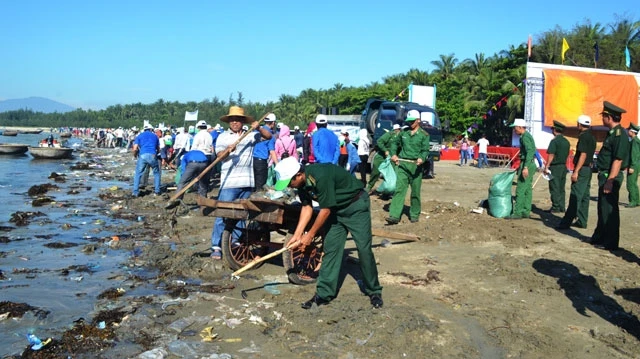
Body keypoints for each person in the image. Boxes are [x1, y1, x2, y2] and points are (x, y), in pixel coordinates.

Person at [273, 157, 383, 309]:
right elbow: (307, 208)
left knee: (364, 249)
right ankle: (324, 294)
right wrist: (298, 235)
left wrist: (309, 235)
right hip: (336, 211)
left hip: (356, 207)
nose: (290, 187)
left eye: (290, 182)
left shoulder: (321, 175)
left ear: (298, 175)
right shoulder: (301, 183)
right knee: (331, 250)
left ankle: (374, 290)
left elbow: (325, 211)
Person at [210, 106, 273, 259]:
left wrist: (258, 128)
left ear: (242, 121)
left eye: (238, 120)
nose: (235, 122)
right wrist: (228, 151)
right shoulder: (223, 137)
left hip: (247, 181)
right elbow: (219, 156)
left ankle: (235, 241)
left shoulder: (250, 135)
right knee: (222, 214)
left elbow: (268, 136)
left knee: (242, 215)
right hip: (229, 182)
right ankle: (216, 246)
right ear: (229, 122)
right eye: (232, 120)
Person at [590, 101, 630, 250]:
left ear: (609, 117)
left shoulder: (619, 135)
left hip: (610, 176)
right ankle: (600, 237)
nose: (602, 119)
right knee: (603, 209)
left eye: (604, 116)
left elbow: (618, 160)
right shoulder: (612, 133)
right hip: (605, 175)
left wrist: (610, 181)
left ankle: (610, 242)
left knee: (609, 211)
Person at [386, 110, 430, 224]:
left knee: (415, 192)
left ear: (418, 120)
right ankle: (394, 215)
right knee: (399, 190)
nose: (410, 123)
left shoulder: (424, 135)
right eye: (408, 121)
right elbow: (394, 143)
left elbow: (425, 150)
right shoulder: (403, 132)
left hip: (416, 167)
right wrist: (394, 154)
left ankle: (414, 214)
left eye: (412, 121)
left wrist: (422, 158)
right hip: (403, 166)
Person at [557, 115, 596, 229]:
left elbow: (583, 155)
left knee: (575, 195)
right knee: (584, 196)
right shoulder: (592, 137)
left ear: (579, 124)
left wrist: (576, 171)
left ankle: (566, 222)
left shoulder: (583, 137)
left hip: (582, 168)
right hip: (588, 169)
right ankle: (582, 220)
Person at [507, 118, 536, 219]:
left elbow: (530, 151)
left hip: (527, 163)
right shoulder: (526, 136)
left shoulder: (524, 137)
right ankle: (526, 211)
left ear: (520, 127)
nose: (514, 130)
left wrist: (525, 167)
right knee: (527, 189)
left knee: (520, 188)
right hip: (529, 163)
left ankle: (518, 212)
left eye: (515, 128)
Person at [544, 121, 570, 213]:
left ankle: (555, 207)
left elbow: (551, 155)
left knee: (554, 187)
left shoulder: (554, 141)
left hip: (555, 167)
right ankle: (562, 206)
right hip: (563, 166)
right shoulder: (566, 141)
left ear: (554, 130)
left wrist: (546, 166)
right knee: (561, 187)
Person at [366, 124, 401, 194]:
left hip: (392, 158)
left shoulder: (401, 137)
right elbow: (379, 141)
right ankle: (369, 187)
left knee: (390, 175)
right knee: (375, 172)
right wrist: (385, 150)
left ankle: (387, 192)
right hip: (381, 156)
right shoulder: (388, 135)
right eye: (397, 130)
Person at [132, 123, 161, 197]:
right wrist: (155, 154)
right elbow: (158, 149)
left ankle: (135, 192)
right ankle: (157, 191)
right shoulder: (155, 136)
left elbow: (135, 148)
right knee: (156, 173)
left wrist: (135, 155)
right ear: (151, 129)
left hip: (143, 155)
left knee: (138, 174)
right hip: (152, 155)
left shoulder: (139, 136)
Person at [252, 113, 277, 190]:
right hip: (261, 161)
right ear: (273, 123)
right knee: (260, 185)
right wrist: (277, 164)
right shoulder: (269, 135)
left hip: (254, 160)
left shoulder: (257, 131)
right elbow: (272, 151)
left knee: (255, 183)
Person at [626, 123, 640, 208]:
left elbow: (634, 154)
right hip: (636, 164)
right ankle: (637, 200)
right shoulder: (636, 141)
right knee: (634, 183)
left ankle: (633, 201)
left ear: (632, 132)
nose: (628, 131)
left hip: (634, 164)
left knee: (630, 183)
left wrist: (631, 166)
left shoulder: (634, 141)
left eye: (629, 130)